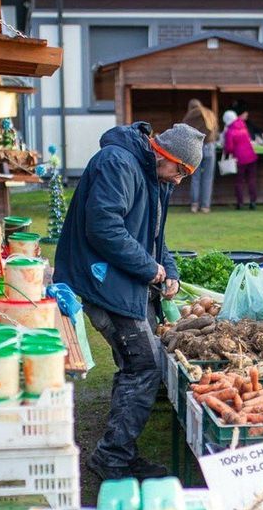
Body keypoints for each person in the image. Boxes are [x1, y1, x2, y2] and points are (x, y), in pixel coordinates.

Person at [54, 120, 204, 481]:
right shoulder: (117, 163)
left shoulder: (155, 176)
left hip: (121, 279)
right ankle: (112, 457)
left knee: (136, 363)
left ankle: (120, 450)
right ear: (165, 154)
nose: (180, 181)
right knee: (145, 365)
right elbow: (104, 228)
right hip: (100, 278)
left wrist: (168, 268)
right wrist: (149, 269)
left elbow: (154, 234)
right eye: (181, 171)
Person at [183, 97, 219, 214]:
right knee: (208, 178)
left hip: (196, 148)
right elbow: (216, 131)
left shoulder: (189, 116)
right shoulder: (210, 114)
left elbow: (185, 133)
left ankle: (194, 205)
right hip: (210, 146)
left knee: (196, 177)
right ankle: (205, 206)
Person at [222, 108, 259, 210]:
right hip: (251, 156)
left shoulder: (229, 131)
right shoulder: (243, 126)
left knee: (239, 181)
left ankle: (240, 203)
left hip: (239, 159)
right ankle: (253, 202)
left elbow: (229, 148)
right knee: (251, 180)